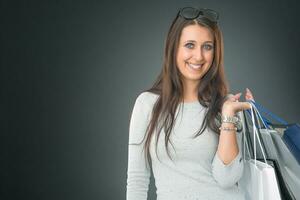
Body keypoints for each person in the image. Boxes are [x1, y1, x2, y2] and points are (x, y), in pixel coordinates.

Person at [126, 6, 255, 200]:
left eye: (207, 46)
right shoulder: (147, 104)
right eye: (190, 45)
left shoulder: (228, 106)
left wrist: (228, 117)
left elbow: (227, 178)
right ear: (174, 47)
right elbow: (137, 180)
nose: (199, 56)